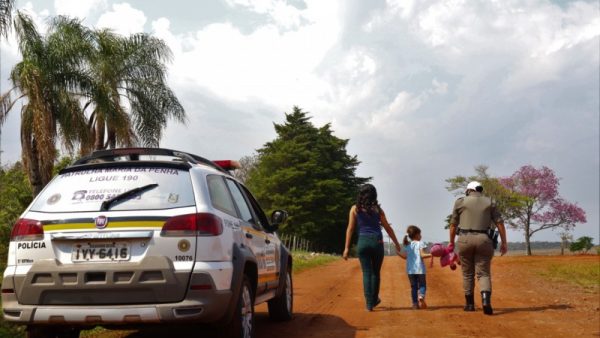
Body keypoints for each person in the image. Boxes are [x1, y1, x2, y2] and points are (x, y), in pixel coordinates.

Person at [448, 181, 508, 315]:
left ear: (469, 190)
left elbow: (453, 225)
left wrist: (451, 242)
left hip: (464, 239)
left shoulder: (460, 202)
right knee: (484, 273)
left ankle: (469, 305)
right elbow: (500, 223)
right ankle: (486, 301)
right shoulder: (490, 202)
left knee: (467, 273)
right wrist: (504, 242)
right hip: (484, 240)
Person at [343, 184, 402, 311]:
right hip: (377, 242)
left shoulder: (354, 209)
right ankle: (374, 299)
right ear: (374, 195)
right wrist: (397, 244)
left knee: (366, 273)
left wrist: (346, 248)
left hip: (363, 243)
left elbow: (350, 229)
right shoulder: (378, 210)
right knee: (375, 273)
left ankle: (369, 304)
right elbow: (388, 228)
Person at [399, 225, 431, 309]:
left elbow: (405, 257)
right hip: (420, 270)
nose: (421, 236)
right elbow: (422, 255)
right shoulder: (420, 243)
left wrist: (398, 253)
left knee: (413, 287)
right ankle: (421, 296)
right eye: (420, 234)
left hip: (410, 271)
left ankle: (414, 304)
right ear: (416, 235)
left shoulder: (407, 245)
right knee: (422, 285)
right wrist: (432, 254)